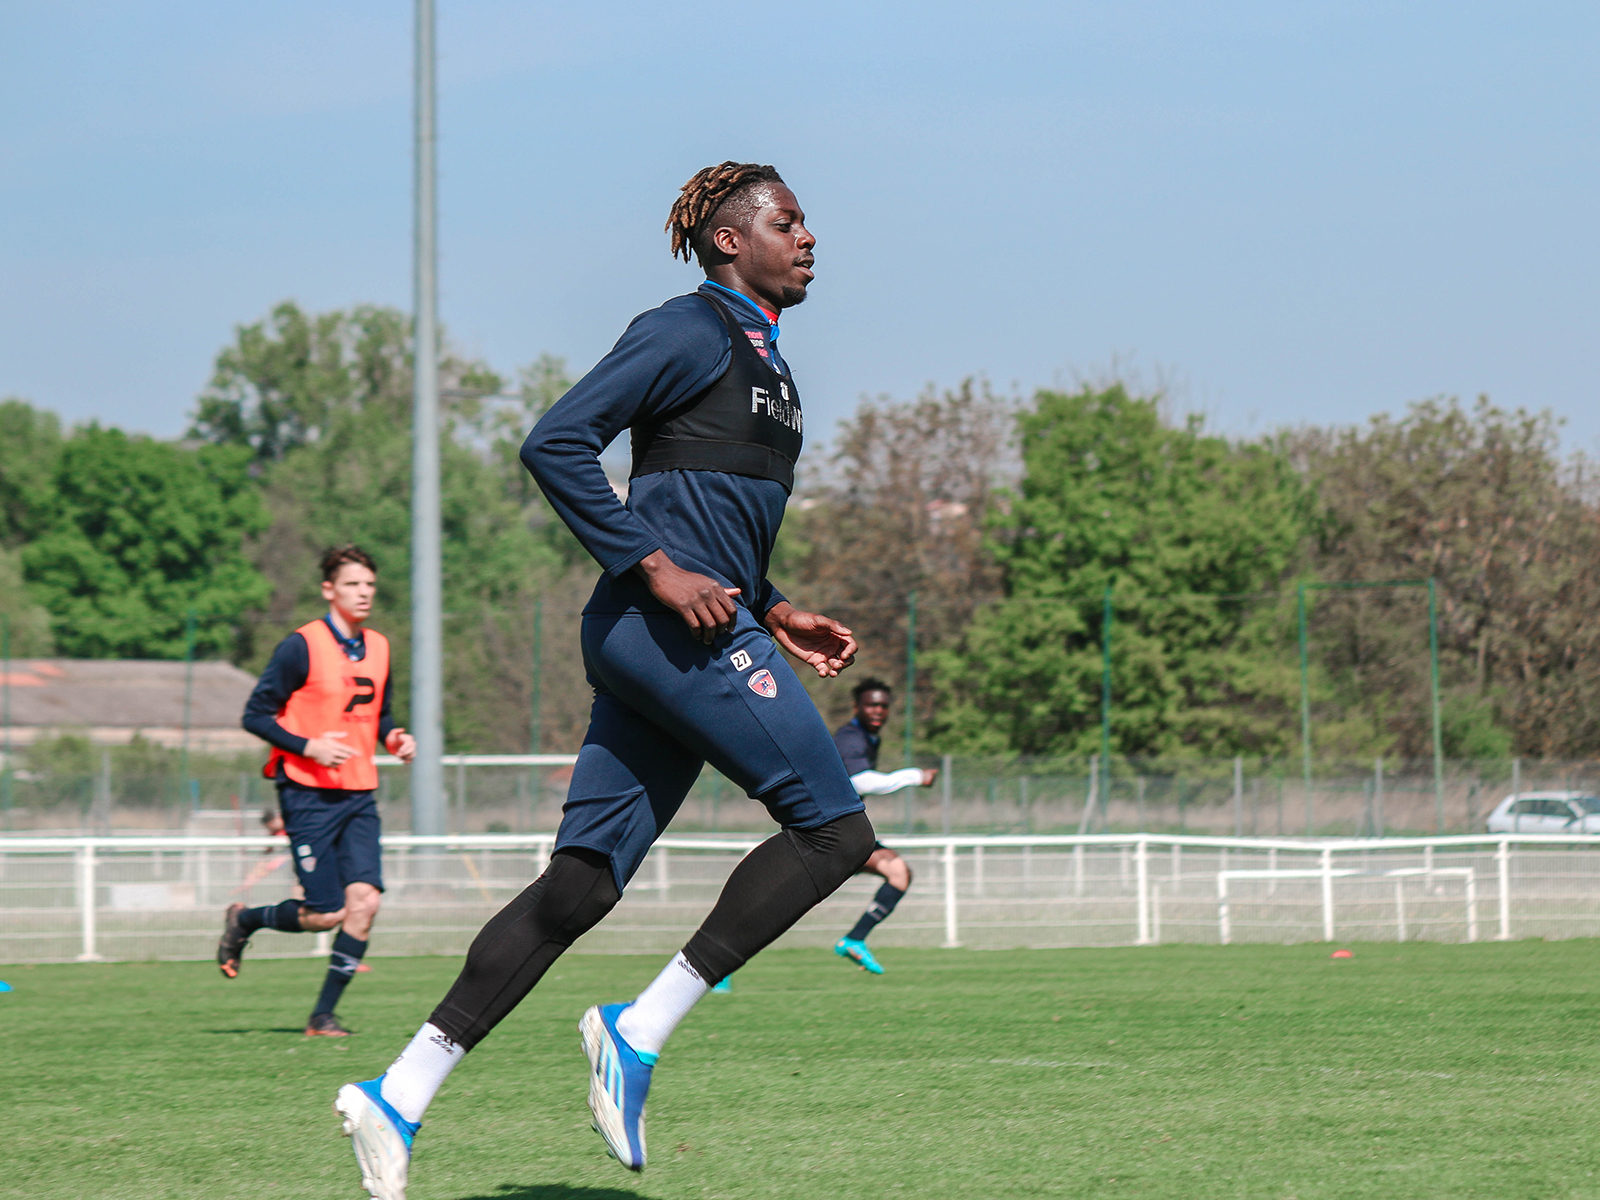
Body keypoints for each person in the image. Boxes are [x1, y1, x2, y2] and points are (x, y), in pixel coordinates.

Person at [332, 161, 875, 1200]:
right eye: (788, 221)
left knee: (579, 884)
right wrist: (658, 570)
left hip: (678, 633)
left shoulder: (769, 358)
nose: (809, 238)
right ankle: (636, 1031)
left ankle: (396, 1092)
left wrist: (772, 605)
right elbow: (556, 442)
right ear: (730, 240)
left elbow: (703, 511)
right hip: (658, 629)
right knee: (837, 834)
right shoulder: (687, 328)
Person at [217, 545, 416, 1036]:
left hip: (358, 793)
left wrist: (394, 738)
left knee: (365, 902)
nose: (363, 593)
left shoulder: (381, 647)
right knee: (325, 913)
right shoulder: (300, 646)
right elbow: (254, 714)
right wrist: (308, 746)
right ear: (329, 590)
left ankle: (322, 1015)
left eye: (369, 585)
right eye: (352, 584)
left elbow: (379, 715)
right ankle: (246, 921)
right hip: (306, 791)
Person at [830, 679, 937, 974]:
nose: (878, 710)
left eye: (883, 705)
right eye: (871, 704)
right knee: (777, 905)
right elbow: (860, 781)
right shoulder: (851, 737)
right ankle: (717, 965)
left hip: (844, 834)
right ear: (856, 707)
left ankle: (855, 940)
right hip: (822, 835)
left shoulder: (868, 738)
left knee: (899, 872)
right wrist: (916, 776)